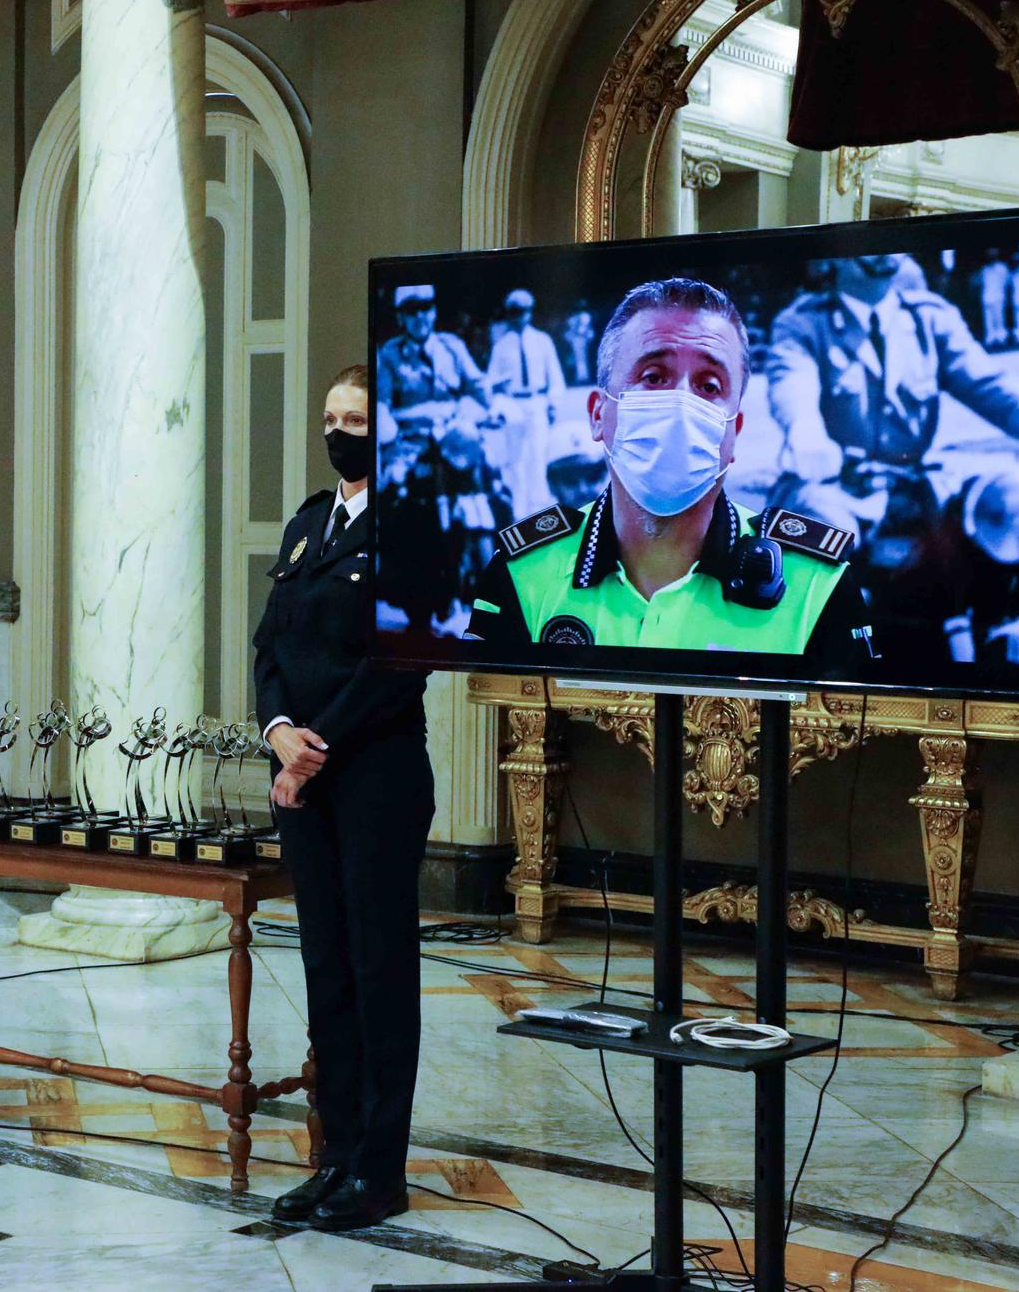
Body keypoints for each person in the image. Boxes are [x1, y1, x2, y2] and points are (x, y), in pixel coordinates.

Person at [254, 364, 431, 1233]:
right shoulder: (308, 524)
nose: (339, 430)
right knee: (325, 970)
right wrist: (278, 727)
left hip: (377, 776)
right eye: (330, 415)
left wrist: (313, 746)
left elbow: (401, 660)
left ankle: (380, 1170)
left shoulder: (412, 526)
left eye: (355, 417)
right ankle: (336, 1156)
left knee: (379, 970)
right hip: (304, 774)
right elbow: (268, 646)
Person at [467, 278, 869, 659]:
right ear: (598, 414)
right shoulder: (524, 576)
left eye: (710, 385)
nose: (680, 405)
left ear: (735, 433)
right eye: (654, 376)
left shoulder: (816, 588)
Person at [765, 253, 1019, 660]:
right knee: (822, 534)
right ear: (835, 262)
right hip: (835, 483)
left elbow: (988, 383)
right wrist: (807, 437)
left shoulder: (928, 318)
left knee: (1011, 510)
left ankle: (1002, 641)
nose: (882, 255)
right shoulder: (804, 323)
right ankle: (821, 659)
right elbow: (791, 386)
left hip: (918, 483)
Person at [484, 288, 565, 514]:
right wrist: (498, 396)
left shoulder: (542, 341)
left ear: (530, 312)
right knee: (517, 460)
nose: (519, 317)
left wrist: (552, 402)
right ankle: (519, 512)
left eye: (523, 311)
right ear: (508, 314)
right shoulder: (501, 346)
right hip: (514, 405)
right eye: (514, 312)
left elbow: (555, 376)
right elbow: (491, 380)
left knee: (539, 457)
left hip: (537, 401)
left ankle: (541, 510)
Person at [373, 284, 489, 421]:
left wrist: (489, 408)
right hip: (410, 437)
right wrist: (425, 412)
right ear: (401, 317)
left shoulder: (453, 347)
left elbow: (478, 386)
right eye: (411, 310)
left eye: (425, 308)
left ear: (434, 312)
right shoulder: (389, 355)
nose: (419, 316)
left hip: (453, 432)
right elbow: (382, 409)